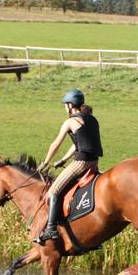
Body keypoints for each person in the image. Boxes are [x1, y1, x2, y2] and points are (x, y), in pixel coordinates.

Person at [34, 89, 103, 243]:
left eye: (65, 105)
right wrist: (64, 160)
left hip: (81, 163)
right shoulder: (91, 119)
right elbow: (78, 143)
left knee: (53, 191)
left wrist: (45, 162)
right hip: (94, 162)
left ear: (71, 105)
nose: (65, 108)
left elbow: (55, 144)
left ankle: (51, 229)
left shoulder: (71, 121)